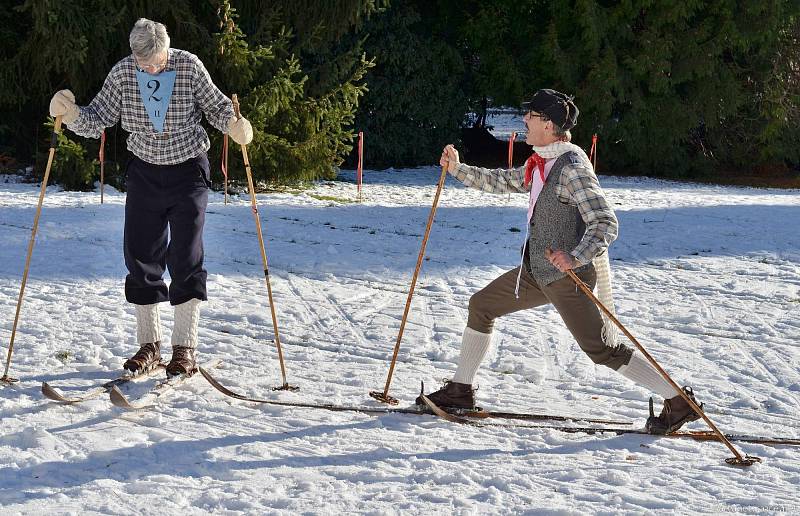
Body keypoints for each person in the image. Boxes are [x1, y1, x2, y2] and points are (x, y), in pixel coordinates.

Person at [417, 89, 701, 434]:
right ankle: (460, 390)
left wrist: (575, 256)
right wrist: (458, 169)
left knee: (603, 350)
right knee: (482, 306)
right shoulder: (542, 161)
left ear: (549, 125)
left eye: (531, 117)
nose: (525, 121)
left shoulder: (572, 168)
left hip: (568, 278)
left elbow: (605, 222)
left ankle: (678, 402)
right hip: (537, 272)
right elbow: (503, 181)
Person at [49, 18, 253, 377]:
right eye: (145, 64)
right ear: (134, 56)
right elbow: (98, 119)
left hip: (188, 170)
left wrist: (236, 124)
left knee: (186, 254)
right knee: (141, 255)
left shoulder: (188, 66)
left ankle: (185, 347)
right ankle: (149, 345)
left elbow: (219, 107)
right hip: (144, 171)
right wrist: (71, 114)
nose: (151, 68)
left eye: (157, 62)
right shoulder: (123, 73)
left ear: (166, 49)